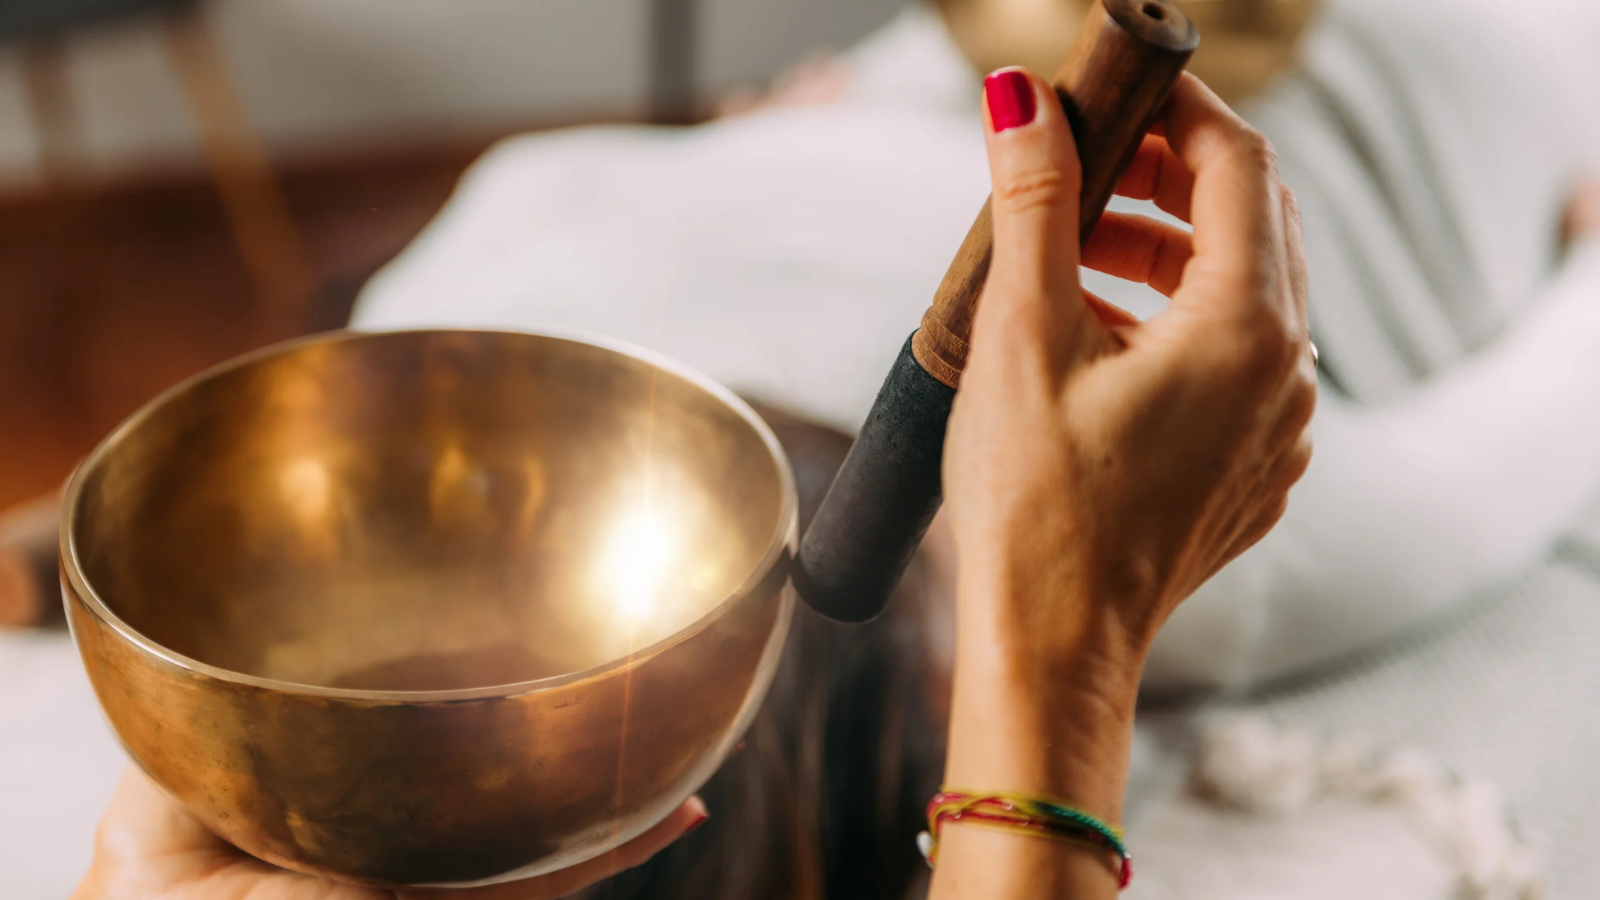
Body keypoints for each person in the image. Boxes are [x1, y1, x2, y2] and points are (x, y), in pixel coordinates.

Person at [68, 71, 1316, 899]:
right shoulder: (1129, 481)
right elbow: (1501, 446)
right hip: (1272, 120)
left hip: (781, 115)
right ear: (941, 709)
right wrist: (1067, 655)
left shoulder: (395, 396)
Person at [354, 0, 1600, 692]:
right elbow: (1513, 447)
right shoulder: (1107, 541)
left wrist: (800, 130)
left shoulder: (424, 350)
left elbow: (1500, 450)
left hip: (905, 100)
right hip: (1422, 86)